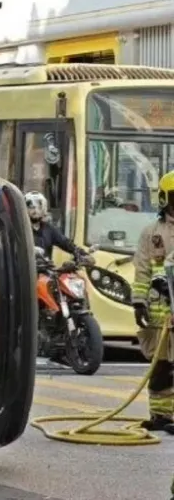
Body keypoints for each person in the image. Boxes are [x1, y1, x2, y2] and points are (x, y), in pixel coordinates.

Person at [131, 171, 174, 434]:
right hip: (160, 317)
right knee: (160, 369)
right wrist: (139, 303)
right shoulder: (152, 233)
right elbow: (143, 270)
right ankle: (160, 415)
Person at [24, 191, 92, 262]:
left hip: (46, 269)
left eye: (39, 207)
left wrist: (82, 254)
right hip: (26, 271)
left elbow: (65, 242)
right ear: (25, 209)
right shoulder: (20, 230)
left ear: (43, 209)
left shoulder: (49, 229)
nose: (35, 210)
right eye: (31, 207)